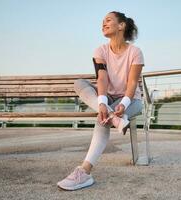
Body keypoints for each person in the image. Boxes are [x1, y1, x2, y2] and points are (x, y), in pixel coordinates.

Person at [57, 11, 144, 191]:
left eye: (108, 20)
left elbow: (133, 83)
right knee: (80, 84)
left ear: (121, 25)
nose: (103, 24)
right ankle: (114, 118)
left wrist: (123, 105)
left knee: (101, 119)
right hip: (108, 97)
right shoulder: (100, 50)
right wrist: (102, 103)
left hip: (130, 100)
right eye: (102, 21)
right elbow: (102, 78)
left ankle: (84, 172)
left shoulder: (135, 52)